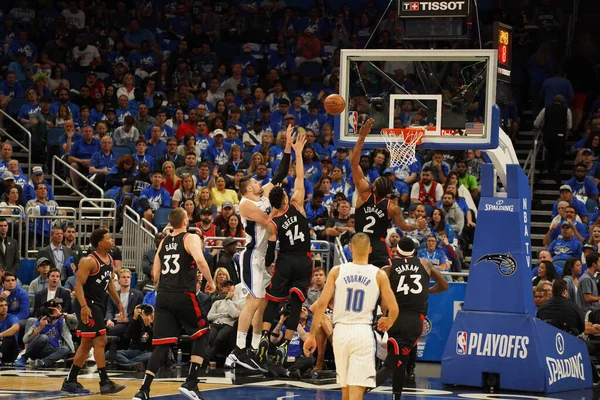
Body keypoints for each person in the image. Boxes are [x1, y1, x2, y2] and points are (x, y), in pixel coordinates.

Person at [228, 124, 294, 371]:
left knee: (263, 303)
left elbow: (281, 173)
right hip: (252, 255)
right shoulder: (245, 203)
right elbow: (269, 222)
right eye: (255, 181)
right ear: (247, 188)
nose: (259, 182)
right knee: (253, 302)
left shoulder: (264, 195)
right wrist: (282, 208)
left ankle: (254, 349)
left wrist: (287, 147)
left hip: (264, 255)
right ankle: (238, 350)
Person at [303, 233, 399, 400]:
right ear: (370, 250)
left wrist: (311, 335)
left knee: (346, 389)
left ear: (351, 249)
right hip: (362, 332)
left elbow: (321, 304)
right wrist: (389, 320)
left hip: (340, 332)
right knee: (356, 391)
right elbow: (394, 308)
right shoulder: (379, 274)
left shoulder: (337, 271)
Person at [133, 208, 216, 400]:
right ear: (185, 220)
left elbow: (155, 273)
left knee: (162, 344)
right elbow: (201, 261)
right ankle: (191, 382)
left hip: (163, 295)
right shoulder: (190, 238)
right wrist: (210, 281)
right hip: (183, 293)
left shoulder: (163, 241)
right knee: (202, 333)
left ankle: (143, 390)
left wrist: (162, 286)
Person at [256, 131, 310, 369]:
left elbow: (270, 248)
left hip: (285, 260)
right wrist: (298, 152)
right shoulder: (298, 205)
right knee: (296, 303)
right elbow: (300, 176)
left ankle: (266, 338)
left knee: (273, 301)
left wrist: (270, 262)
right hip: (304, 260)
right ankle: (286, 345)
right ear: (286, 198)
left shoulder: (273, 222)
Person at [373, 237, 449, 399]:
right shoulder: (425, 264)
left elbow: (381, 297)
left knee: (401, 361)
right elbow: (444, 285)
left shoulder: (388, 267)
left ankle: (396, 396)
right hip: (414, 321)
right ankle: (359, 391)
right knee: (392, 363)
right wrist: (427, 291)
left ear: (397, 250)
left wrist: (382, 314)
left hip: (394, 319)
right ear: (415, 250)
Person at [351, 118, 425, 267]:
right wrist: (417, 225)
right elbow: (404, 226)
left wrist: (362, 137)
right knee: (383, 277)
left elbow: (354, 162)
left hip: (360, 242)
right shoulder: (392, 207)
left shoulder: (364, 194)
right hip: (378, 245)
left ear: (374, 188)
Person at [61, 228, 126, 395]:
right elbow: (78, 285)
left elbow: (109, 282)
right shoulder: (89, 261)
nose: (112, 240)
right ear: (100, 243)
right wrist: (83, 306)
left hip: (97, 303)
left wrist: (118, 301)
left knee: (86, 344)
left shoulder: (110, 258)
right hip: (87, 304)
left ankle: (70, 381)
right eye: (109, 238)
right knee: (101, 340)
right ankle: (104, 381)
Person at [0, 296, 19, 365]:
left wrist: (0, 335)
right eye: (1, 306)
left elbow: (15, 328)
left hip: (10, 351)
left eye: (5, 305)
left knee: (10, 336)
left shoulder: (11, 317)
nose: (4, 307)